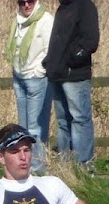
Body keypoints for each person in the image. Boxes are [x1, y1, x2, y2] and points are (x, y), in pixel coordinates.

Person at [44, 0, 99, 173]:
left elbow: (91, 40)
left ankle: (84, 164)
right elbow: (58, 40)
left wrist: (72, 59)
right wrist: (50, 62)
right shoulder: (63, 8)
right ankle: (65, 165)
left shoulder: (84, 6)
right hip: (57, 74)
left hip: (75, 74)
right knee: (62, 121)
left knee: (80, 118)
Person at [6, 0, 52, 175]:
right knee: (23, 128)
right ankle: (24, 166)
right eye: (22, 2)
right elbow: (16, 47)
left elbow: (50, 50)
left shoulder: (45, 20)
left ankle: (38, 168)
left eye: (30, 1)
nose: (26, 5)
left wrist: (39, 71)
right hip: (19, 77)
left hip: (35, 78)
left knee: (35, 127)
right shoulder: (18, 20)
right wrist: (16, 69)